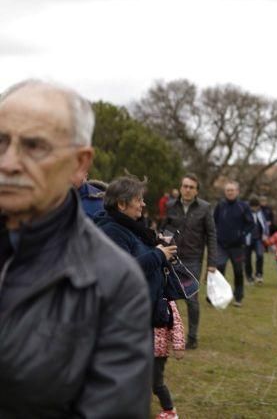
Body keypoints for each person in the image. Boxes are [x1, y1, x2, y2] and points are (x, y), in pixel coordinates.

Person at [0, 80, 152, 417]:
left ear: (80, 164)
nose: (8, 162)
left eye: (34, 146)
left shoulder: (115, 283)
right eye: (0, 142)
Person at [94, 176, 179, 324]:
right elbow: (125, 270)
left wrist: (159, 249)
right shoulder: (112, 232)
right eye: (138, 200)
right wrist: (159, 255)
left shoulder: (131, 228)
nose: (143, 204)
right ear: (121, 204)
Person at [163, 173, 218, 349]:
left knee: (191, 298)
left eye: (191, 187)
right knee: (170, 297)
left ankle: (192, 337)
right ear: (180, 188)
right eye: (185, 186)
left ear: (196, 191)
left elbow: (211, 235)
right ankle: (171, 332)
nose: (187, 190)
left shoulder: (205, 208)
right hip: (172, 256)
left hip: (193, 258)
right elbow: (166, 229)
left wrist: (212, 262)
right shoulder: (171, 206)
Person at [213, 181, 254, 307]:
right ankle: (219, 296)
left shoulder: (243, 206)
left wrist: (242, 234)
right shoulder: (220, 205)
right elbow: (214, 221)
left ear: (237, 191)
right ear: (225, 192)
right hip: (221, 245)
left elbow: (251, 223)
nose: (230, 192)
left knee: (238, 271)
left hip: (237, 246)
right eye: (228, 190)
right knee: (219, 270)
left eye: (232, 190)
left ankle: (238, 297)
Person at [153, 300, 185, 419]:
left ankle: (169, 409)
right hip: (140, 349)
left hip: (158, 351)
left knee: (156, 384)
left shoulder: (167, 301)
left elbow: (176, 324)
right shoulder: (140, 295)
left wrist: (178, 345)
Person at [245, 196, 269, 285]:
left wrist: (266, 234)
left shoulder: (261, 213)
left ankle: (259, 274)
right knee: (247, 258)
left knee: (260, 256)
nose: (254, 208)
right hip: (248, 239)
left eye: (256, 206)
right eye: (253, 207)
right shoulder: (246, 213)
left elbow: (265, 224)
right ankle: (249, 276)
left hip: (258, 238)